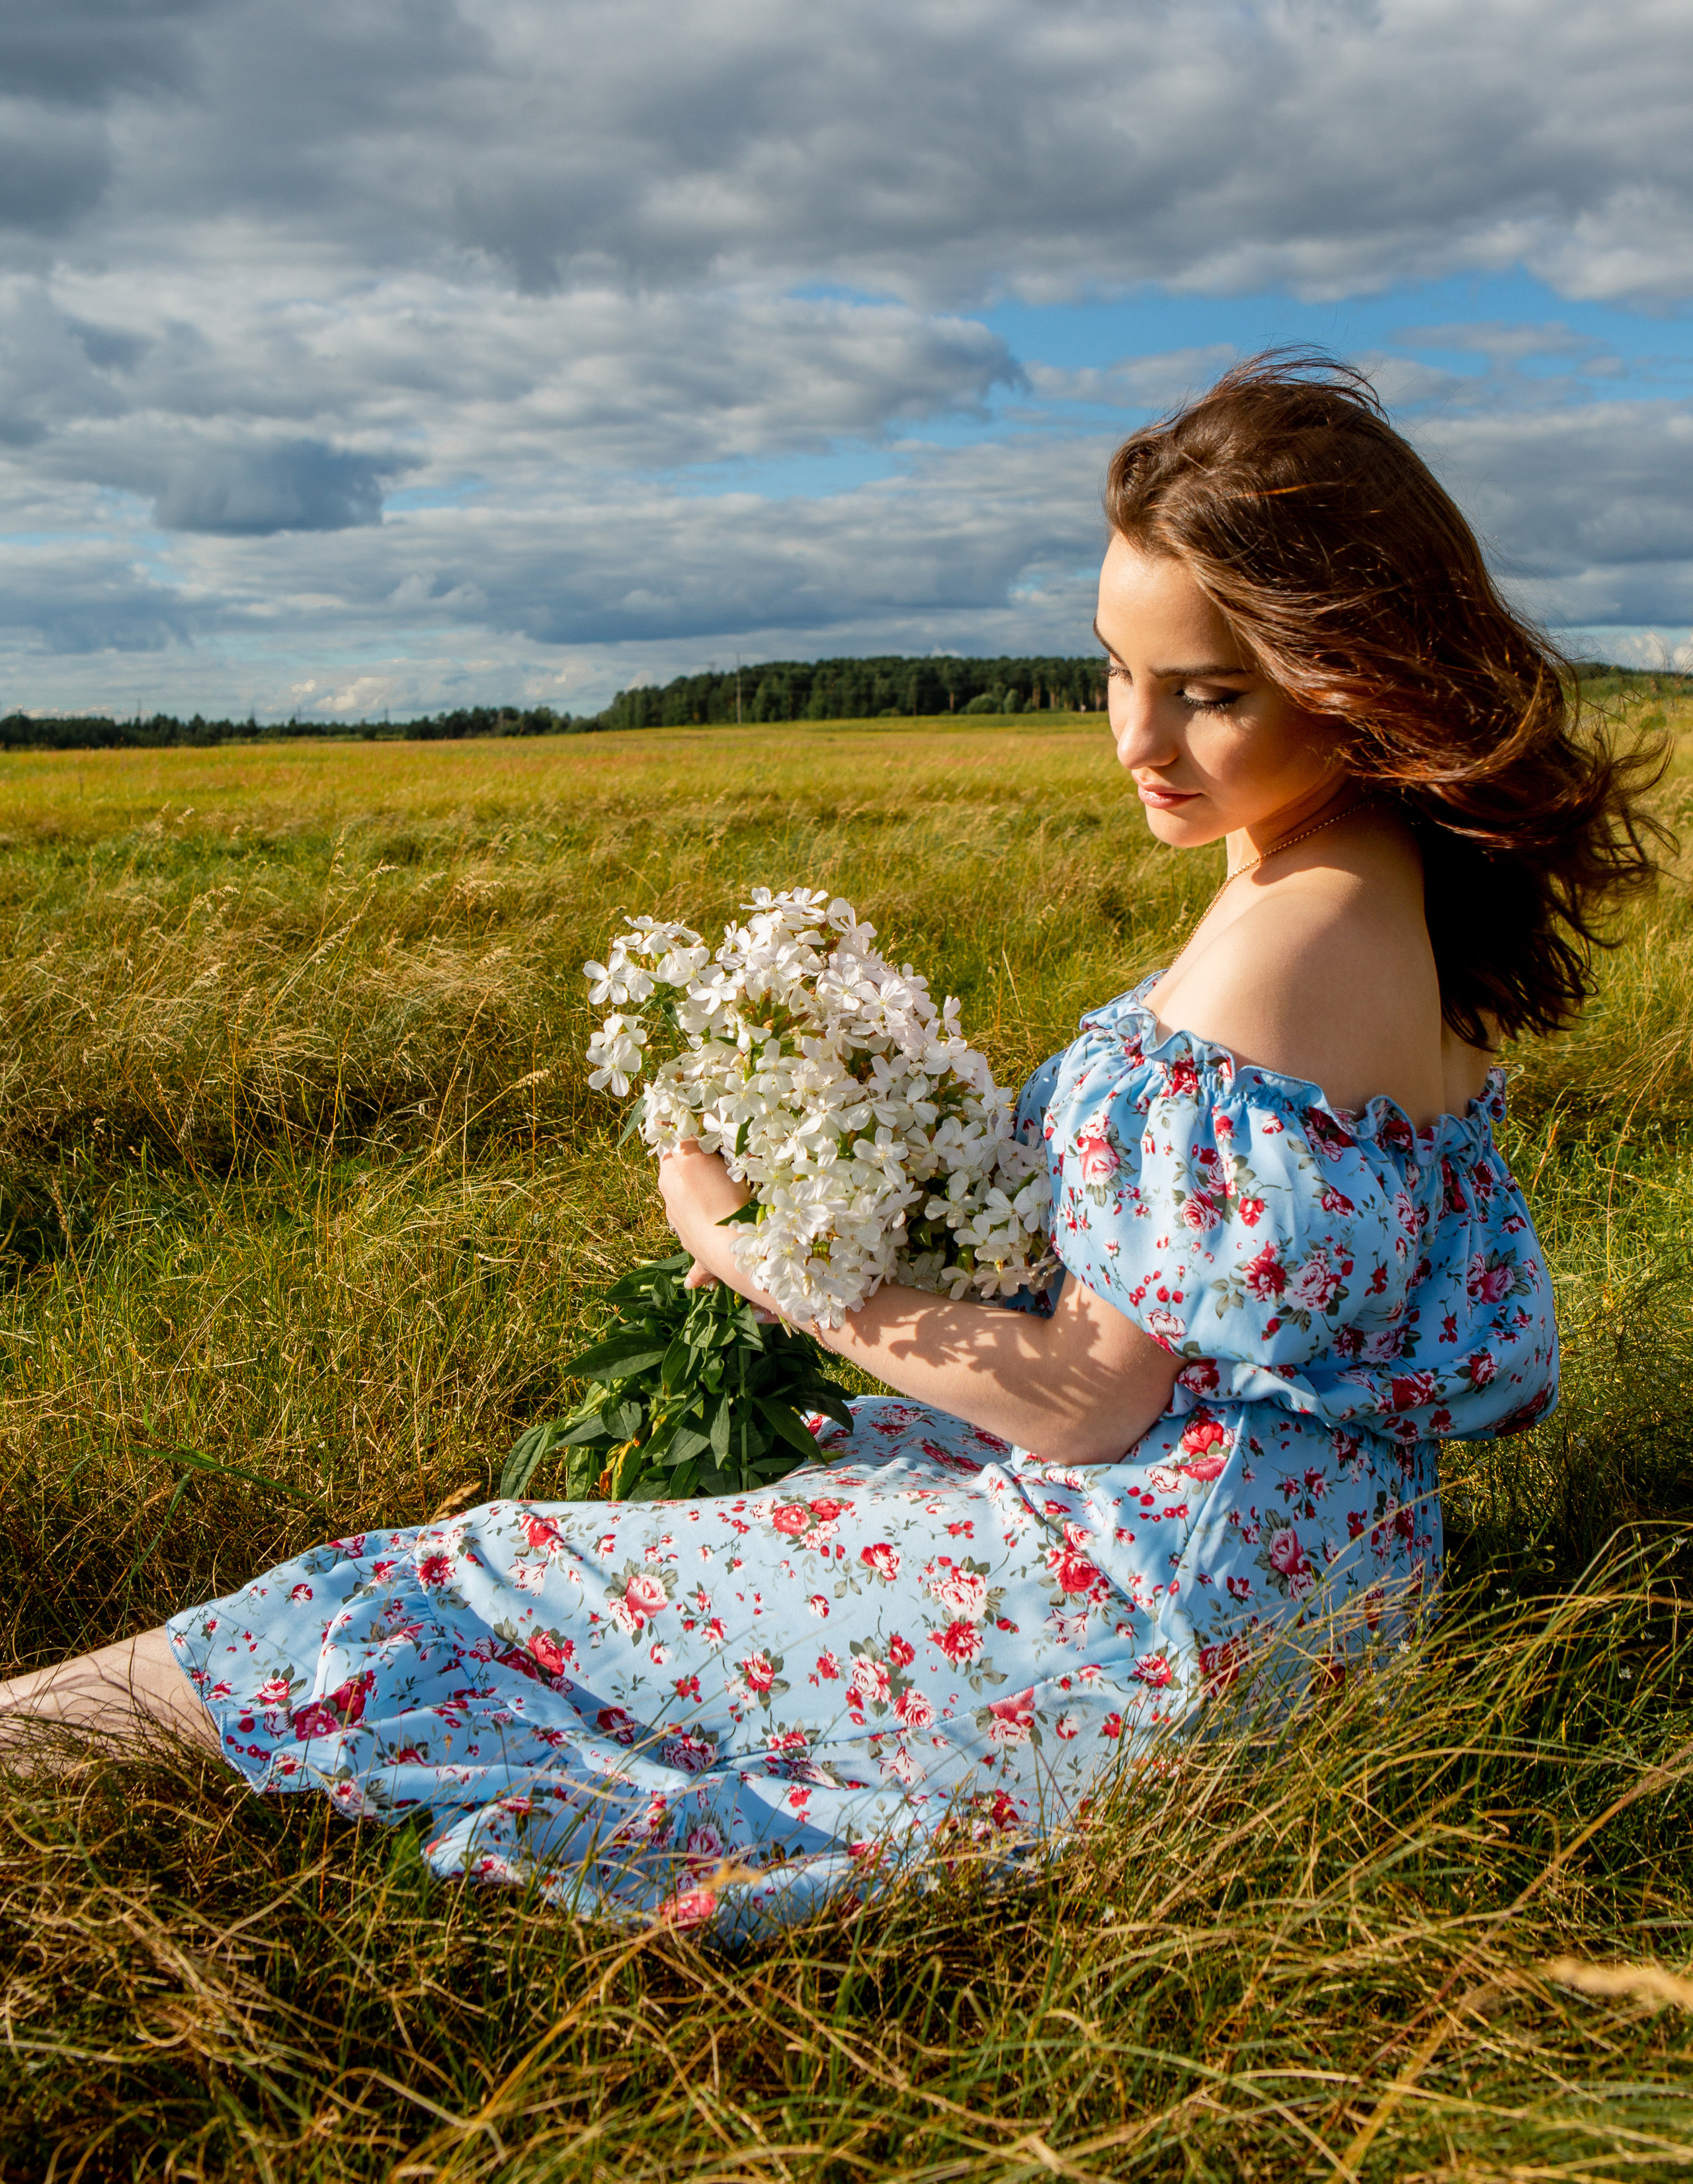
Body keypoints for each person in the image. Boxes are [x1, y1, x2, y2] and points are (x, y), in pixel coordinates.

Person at [0, 355, 1662, 1938]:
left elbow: (1097, 1397)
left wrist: (759, 1253)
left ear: (1347, 668)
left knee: (471, 1582)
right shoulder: (1377, 877)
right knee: (713, 1509)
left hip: (1163, 1604)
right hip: (1329, 1588)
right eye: (1113, 669)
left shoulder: (1290, 937)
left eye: (1205, 695)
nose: (1133, 741)